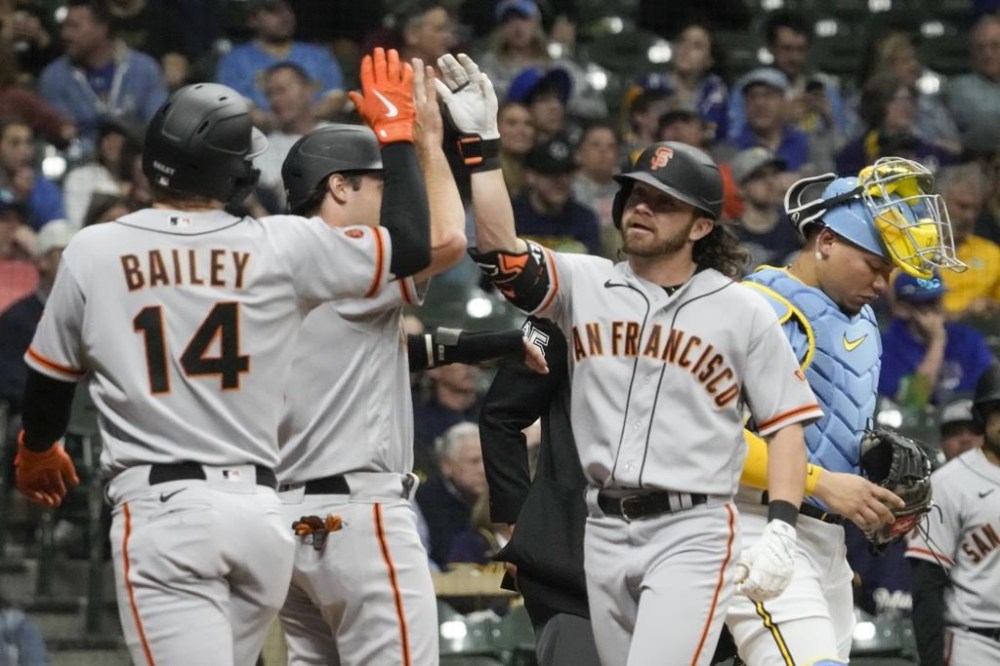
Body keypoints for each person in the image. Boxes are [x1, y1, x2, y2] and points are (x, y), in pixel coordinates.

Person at [13, 45, 431, 665]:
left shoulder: (94, 250)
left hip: (165, 513)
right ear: (237, 176)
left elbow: (48, 378)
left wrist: (39, 446)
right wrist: (397, 137)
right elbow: (414, 247)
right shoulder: (283, 244)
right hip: (261, 517)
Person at [436, 52, 820, 666]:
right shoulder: (586, 282)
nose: (640, 208)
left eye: (661, 201)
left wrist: (780, 525)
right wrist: (481, 147)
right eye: (635, 194)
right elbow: (503, 256)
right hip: (601, 525)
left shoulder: (742, 310)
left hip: (691, 529)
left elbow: (786, 424)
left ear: (699, 227)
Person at [274, 58, 542, 665]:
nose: (395, 198)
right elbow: (446, 240)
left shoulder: (279, 261)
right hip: (357, 520)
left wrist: (494, 343)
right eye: (381, 183)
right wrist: (422, 142)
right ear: (339, 187)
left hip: (287, 521)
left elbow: (381, 352)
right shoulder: (342, 252)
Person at [725, 157, 966, 665]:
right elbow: (706, 437)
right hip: (756, 524)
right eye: (875, 265)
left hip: (826, 542)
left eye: (891, 271)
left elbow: (828, 434)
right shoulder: (756, 307)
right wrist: (819, 482)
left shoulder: (863, 325)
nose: (884, 283)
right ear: (826, 241)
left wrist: (870, 490)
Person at [479, 315, 601, 666]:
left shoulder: (718, 313)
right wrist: (518, 520)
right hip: (572, 564)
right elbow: (502, 414)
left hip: (674, 552)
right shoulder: (571, 307)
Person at [907, 365, 1000, 666]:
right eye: (998, 410)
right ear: (983, 417)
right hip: (974, 643)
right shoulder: (950, 482)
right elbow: (927, 585)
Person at [36, 0, 167, 160]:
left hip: (139, 163)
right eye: (64, 27)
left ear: (101, 28)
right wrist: (99, 149)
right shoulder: (54, 77)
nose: (65, 34)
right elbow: (62, 133)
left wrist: (128, 147)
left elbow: (158, 127)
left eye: (74, 27)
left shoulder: (145, 69)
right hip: (81, 169)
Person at [215, 0, 345, 131]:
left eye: (288, 10)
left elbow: (336, 99)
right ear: (252, 20)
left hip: (317, 133)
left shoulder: (319, 55)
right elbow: (239, 109)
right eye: (272, 11)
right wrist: (283, 122)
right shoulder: (235, 60)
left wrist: (300, 121)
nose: (285, 16)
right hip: (262, 140)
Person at [879, 270, 995, 409]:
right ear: (903, 308)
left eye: (937, 300)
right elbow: (912, 402)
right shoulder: (887, 346)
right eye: (926, 303)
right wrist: (937, 342)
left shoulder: (968, 339)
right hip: (916, 428)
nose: (936, 309)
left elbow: (989, 390)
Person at [415, 421, 490, 569]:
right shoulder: (425, 499)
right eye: (474, 461)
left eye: (487, 460)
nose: (483, 470)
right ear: (447, 465)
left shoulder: (498, 494)